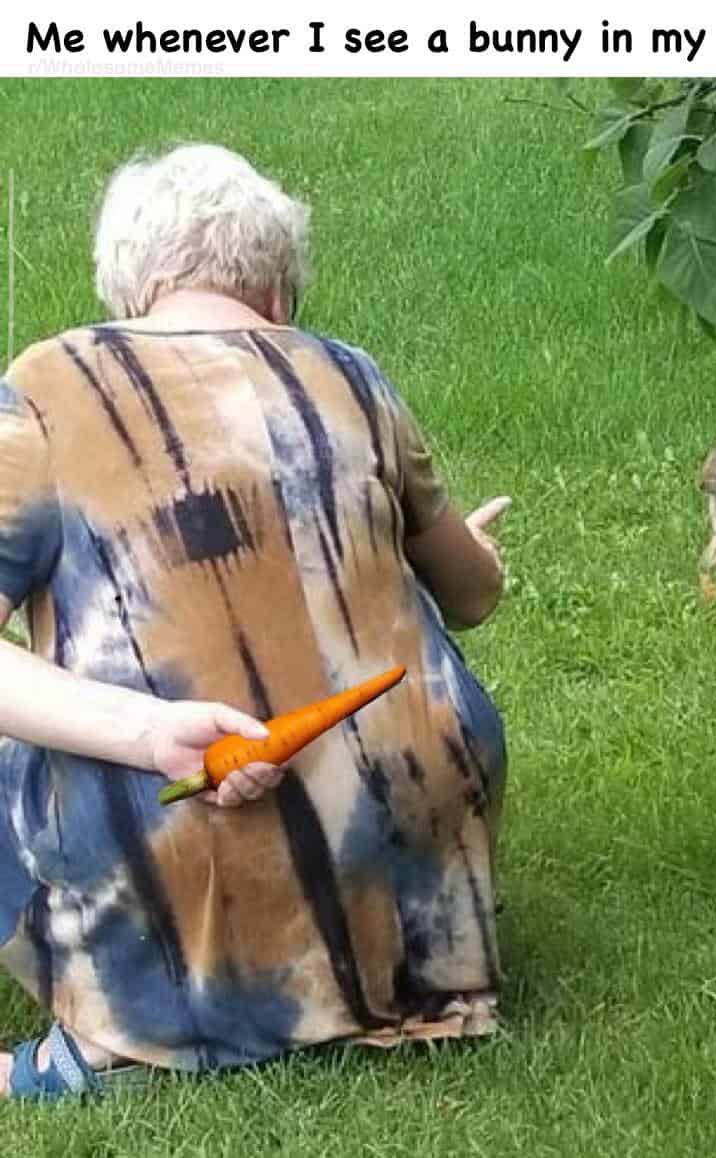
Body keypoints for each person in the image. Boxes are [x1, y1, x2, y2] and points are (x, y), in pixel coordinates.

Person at [0, 143, 510, 1099]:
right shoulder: (354, 376)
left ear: (135, 288)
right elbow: (472, 595)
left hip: (190, 812)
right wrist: (458, 553)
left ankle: (122, 1029)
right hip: (418, 871)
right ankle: (387, 988)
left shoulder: (51, 386)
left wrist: (150, 729)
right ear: (278, 294)